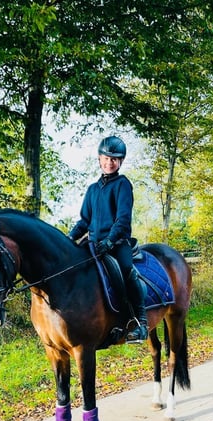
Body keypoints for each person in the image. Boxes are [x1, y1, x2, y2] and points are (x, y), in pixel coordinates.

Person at [68, 136, 148, 342]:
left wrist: (110, 241)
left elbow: (122, 220)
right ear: (99, 160)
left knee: (127, 271)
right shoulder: (92, 190)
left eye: (114, 159)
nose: (109, 162)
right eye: (106, 158)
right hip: (94, 245)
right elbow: (84, 221)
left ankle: (140, 322)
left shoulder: (123, 185)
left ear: (120, 162)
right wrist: (69, 238)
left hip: (117, 243)